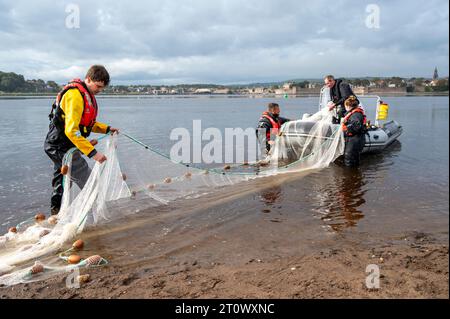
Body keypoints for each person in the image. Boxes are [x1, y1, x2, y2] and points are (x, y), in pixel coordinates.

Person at [44, 65, 119, 215]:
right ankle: (91, 214)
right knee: (88, 181)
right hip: (59, 146)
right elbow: (72, 130)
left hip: (65, 145)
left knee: (63, 182)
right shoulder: (75, 96)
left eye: (102, 88)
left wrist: (106, 128)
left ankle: (55, 216)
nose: (99, 90)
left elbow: (86, 124)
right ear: (88, 79)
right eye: (97, 86)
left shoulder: (86, 95)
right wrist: (93, 153)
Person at [341, 95, 366, 167]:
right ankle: (354, 175)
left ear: (348, 106)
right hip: (354, 138)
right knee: (353, 157)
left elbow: (356, 126)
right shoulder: (354, 113)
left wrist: (345, 125)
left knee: (349, 157)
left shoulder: (356, 115)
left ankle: (350, 175)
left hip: (355, 139)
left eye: (345, 106)